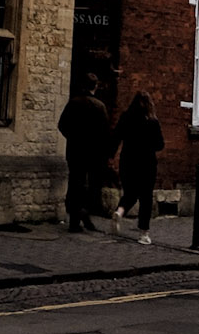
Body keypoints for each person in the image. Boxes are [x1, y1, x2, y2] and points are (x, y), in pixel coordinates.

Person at [57, 73, 112, 231]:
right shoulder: (99, 106)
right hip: (93, 153)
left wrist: (73, 138)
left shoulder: (74, 103)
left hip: (75, 150)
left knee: (75, 184)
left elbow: (62, 125)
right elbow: (105, 132)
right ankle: (84, 213)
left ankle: (75, 220)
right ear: (95, 86)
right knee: (91, 186)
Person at [111, 91, 165, 244]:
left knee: (130, 193)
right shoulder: (152, 122)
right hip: (146, 163)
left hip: (127, 161)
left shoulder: (126, 117)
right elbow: (160, 144)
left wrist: (110, 154)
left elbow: (116, 137)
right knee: (146, 198)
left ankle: (119, 212)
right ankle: (144, 234)